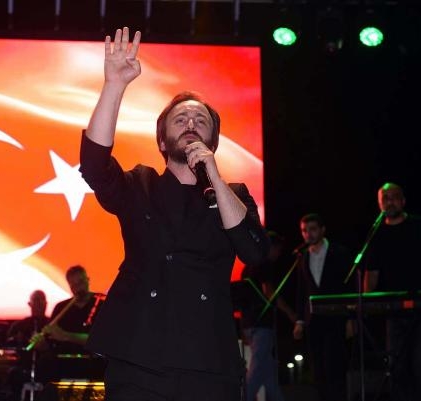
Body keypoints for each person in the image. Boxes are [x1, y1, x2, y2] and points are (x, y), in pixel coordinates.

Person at [79, 27, 269, 401]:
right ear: (163, 141)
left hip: (208, 361)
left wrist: (214, 177)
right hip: (139, 355)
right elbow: (94, 166)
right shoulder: (141, 184)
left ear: (213, 142)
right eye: (180, 120)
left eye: (201, 121)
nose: (191, 125)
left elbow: (254, 251)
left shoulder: (232, 195)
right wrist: (114, 85)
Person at [363, 182, 421, 401]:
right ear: (379, 204)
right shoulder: (376, 234)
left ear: (403, 201)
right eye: (385, 198)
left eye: (393, 197)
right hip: (394, 309)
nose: (389, 202)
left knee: (420, 365)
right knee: (397, 367)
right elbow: (371, 274)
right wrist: (366, 301)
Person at [293, 213, 354, 401]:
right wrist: (299, 321)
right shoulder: (303, 257)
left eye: (312, 229)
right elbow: (302, 291)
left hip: (336, 318)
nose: (308, 234)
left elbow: (349, 286)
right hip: (314, 321)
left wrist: (351, 318)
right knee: (317, 369)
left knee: (335, 367)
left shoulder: (340, 253)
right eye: (304, 230)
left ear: (322, 230)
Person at [238, 231, 297, 401]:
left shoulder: (248, 265)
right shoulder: (264, 263)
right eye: (278, 249)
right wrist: (290, 313)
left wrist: (243, 327)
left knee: (268, 372)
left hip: (249, 323)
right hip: (262, 324)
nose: (279, 254)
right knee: (257, 370)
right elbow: (269, 293)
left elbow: (242, 297)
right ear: (271, 247)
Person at [33, 265, 105, 383]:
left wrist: (65, 336)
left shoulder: (102, 303)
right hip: (63, 364)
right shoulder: (60, 307)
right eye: (74, 285)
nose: (78, 288)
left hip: (93, 362)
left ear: (88, 280)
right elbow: (49, 344)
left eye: (81, 282)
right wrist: (40, 343)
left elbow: (101, 341)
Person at [2, 289, 50, 401]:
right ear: (30, 304)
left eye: (41, 300)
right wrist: (18, 341)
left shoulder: (52, 325)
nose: (39, 303)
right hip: (22, 367)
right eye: (36, 300)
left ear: (46, 303)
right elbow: (8, 348)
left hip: (47, 368)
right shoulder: (19, 326)